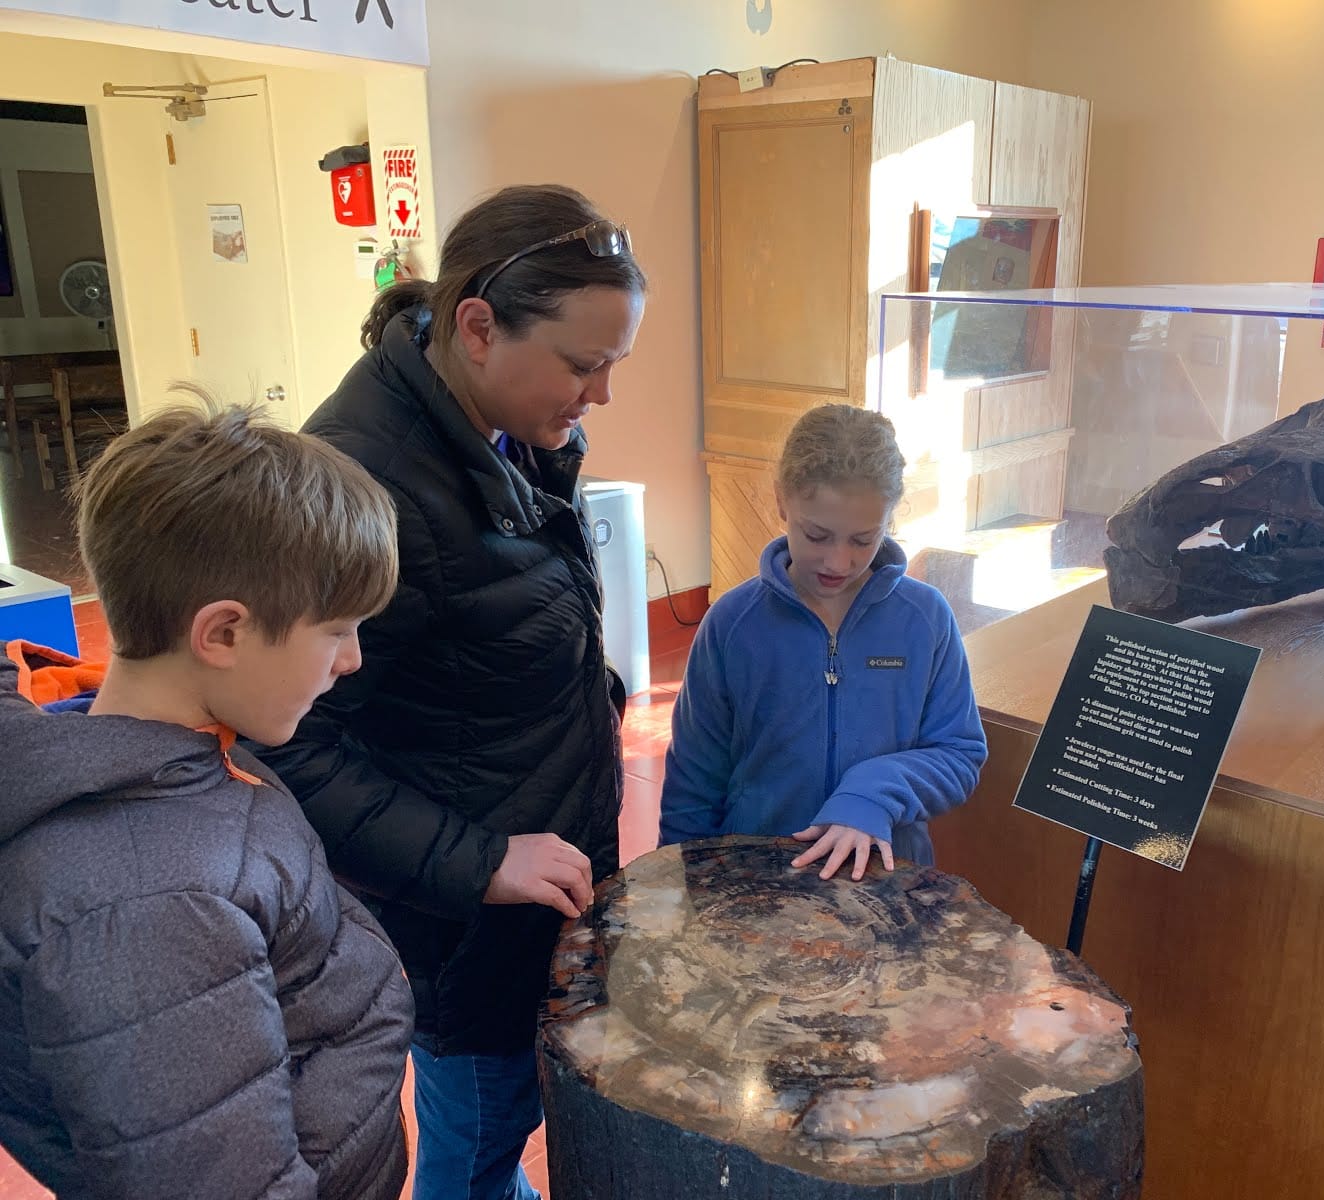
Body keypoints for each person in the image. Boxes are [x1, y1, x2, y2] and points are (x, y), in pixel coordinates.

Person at [250, 184, 646, 1200]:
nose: (599, 393)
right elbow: (290, 748)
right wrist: (477, 861)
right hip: (459, 918)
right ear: (477, 326)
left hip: (525, 852)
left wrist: (578, 681)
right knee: (475, 1143)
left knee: (506, 1125)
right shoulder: (368, 484)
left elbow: (480, 610)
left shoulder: (496, 423)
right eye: (582, 363)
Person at [0, 403, 413, 1199]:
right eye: (336, 631)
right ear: (222, 635)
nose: (352, 660)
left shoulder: (190, 756)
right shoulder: (151, 908)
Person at [659, 403, 988, 881]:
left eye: (862, 539)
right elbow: (695, 777)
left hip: (885, 882)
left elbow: (959, 753)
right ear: (780, 503)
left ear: (890, 519)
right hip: (757, 880)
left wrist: (873, 792)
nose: (838, 561)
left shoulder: (925, 618)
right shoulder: (731, 622)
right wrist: (679, 881)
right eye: (816, 535)